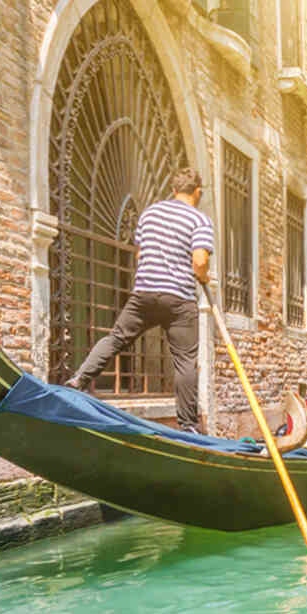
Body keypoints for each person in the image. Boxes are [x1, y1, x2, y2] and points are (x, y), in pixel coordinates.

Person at [64, 167, 214, 433]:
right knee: (185, 360)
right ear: (198, 191)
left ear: (174, 189)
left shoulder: (149, 214)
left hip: (144, 293)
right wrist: (202, 276)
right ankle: (188, 425)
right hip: (179, 299)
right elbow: (200, 261)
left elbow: (139, 256)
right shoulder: (199, 219)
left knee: (116, 338)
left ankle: (78, 380)